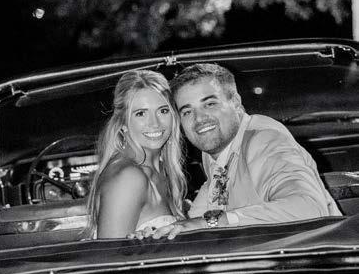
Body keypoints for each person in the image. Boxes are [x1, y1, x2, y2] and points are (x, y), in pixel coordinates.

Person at [134, 62, 341, 239]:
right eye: (187, 111)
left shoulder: (265, 141)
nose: (199, 119)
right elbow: (201, 216)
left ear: (236, 103)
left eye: (210, 104)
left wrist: (212, 222)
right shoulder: (215, 152)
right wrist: (158, 231)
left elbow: (310, 208)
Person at [86, 69, 186, 238]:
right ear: (123, 123)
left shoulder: (161, 170)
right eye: (141, 114)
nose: (154, 123)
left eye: (163, 111)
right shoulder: (129, 177)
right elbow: (111, 253)